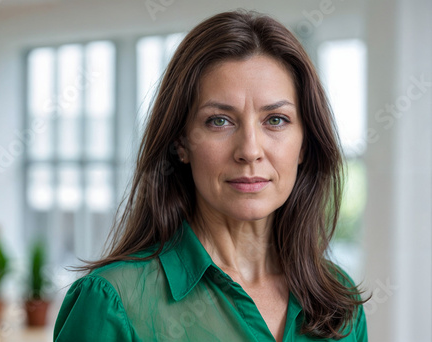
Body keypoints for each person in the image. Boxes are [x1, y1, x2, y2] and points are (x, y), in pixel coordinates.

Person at [54, 10, 368, 342]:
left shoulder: (339, 303)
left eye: (275, 120)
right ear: (180, 143)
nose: (249, 150)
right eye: (219, 120)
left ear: (305, 143)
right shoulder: (112, 302)